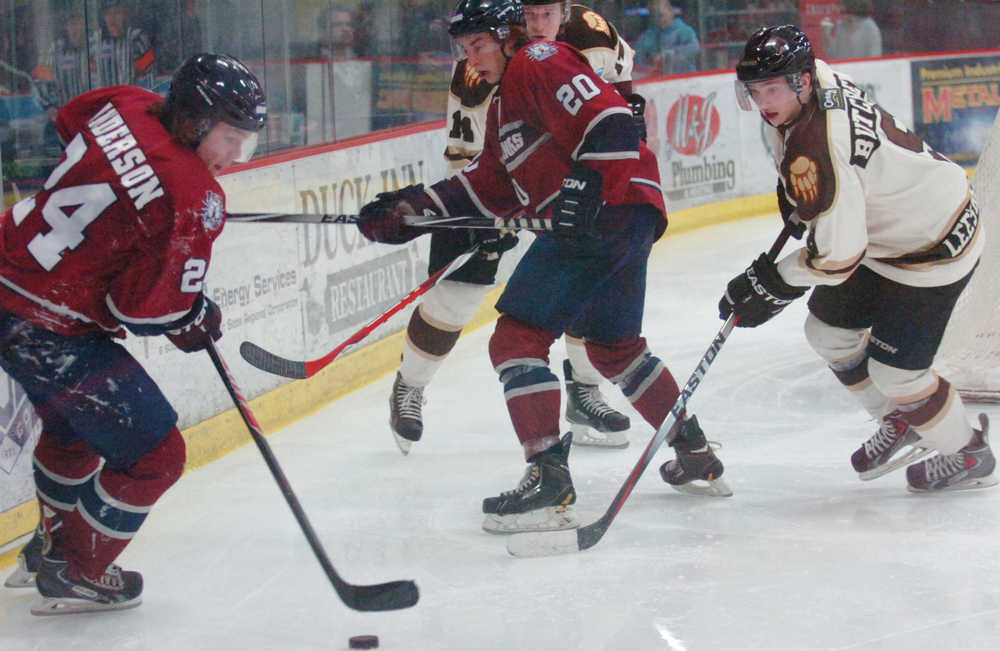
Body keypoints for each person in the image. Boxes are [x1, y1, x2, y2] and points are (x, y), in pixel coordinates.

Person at [359, 0, 731, 534]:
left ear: (507, 36)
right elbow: (486, 185)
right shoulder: (503, 106)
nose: (471, 61)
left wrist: (585, 184)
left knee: (514, 342)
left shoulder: (537, 57)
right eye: (463, 51)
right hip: (626, 218)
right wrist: (409, 211)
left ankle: (548, 478)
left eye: (477, 46)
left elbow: (612, 121)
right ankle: (692, 447)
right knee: (614, 347)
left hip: (603, 214)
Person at [0, 53, 266, 613]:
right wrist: (191, 315)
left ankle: (48, 546)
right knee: (156, 455)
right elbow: (143, 309)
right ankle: (76, 567)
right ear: (194, 120)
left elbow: (70, 121)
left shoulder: (127, 101)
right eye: (229, 138)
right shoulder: (197, 196)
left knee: (72, 432)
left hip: (9, 279)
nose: (235, 157)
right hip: (47, 327)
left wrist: (123, 193)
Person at [721, 25, 995, 492]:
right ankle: (901, 423)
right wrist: (796, 197)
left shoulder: (818, 148)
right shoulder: (815, 82)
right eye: (756, 90)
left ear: (801, 82)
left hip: (935, 245)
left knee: (899, 375)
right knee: (827, 334)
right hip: (891, 229)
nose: (765, 101)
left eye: (772, 88)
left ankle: (970, 452)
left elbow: (838, 256)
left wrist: (773, 281)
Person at [390, 0, 643, 455]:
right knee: (458, 291)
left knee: (588, 278)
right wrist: (485, 215)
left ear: (565, 10)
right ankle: (410, 384)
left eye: (547, 13)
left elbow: (622, 98)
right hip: (491, 172)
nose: (538, 25)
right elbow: (469, 156)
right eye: (529, 15)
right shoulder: (480, 67)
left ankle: (584, 391)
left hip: (563, 177)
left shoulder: (592, 31)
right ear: (511, 23)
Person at [90, 0, 156, 89]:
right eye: (108, 14)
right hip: (105, 99)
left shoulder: (136, 37)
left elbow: (150, 65)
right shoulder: (95, 41)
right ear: (103, 17)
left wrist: (134, 69)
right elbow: (90, 72)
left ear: (123, 14)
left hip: (131, 97)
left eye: (117, 13)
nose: (112, 18)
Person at [633, 1, 700, 75]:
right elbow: (635, 54)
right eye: (654, 17)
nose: (658, 20)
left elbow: (694, 48)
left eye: (661, 15)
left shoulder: (683, 30)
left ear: (671, 12)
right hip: (658, 80)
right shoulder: (649, 35)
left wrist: (669, 55)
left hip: (684, 78)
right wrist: (648, 58)